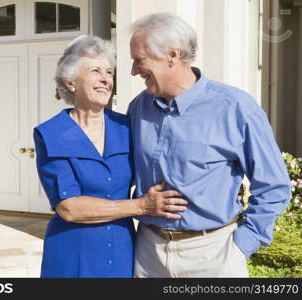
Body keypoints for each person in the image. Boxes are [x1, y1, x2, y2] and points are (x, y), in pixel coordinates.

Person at [127, 12, 291, 278]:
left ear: (172, 55)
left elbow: (274, 185)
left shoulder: (235, 107)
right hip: (148, 253)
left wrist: (242, 245)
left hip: (214, 255)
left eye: (139, 60)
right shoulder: (138, 108)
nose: (133, 71)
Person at [33, 35, 188, 278]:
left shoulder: (127, 126)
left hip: (121, 250)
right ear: (70, 80)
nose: (106, 79)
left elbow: (159, 165)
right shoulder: (51, 134)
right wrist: (141, 206)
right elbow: (69, 208)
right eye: (96, 71)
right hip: (72, 252)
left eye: (109, 72)